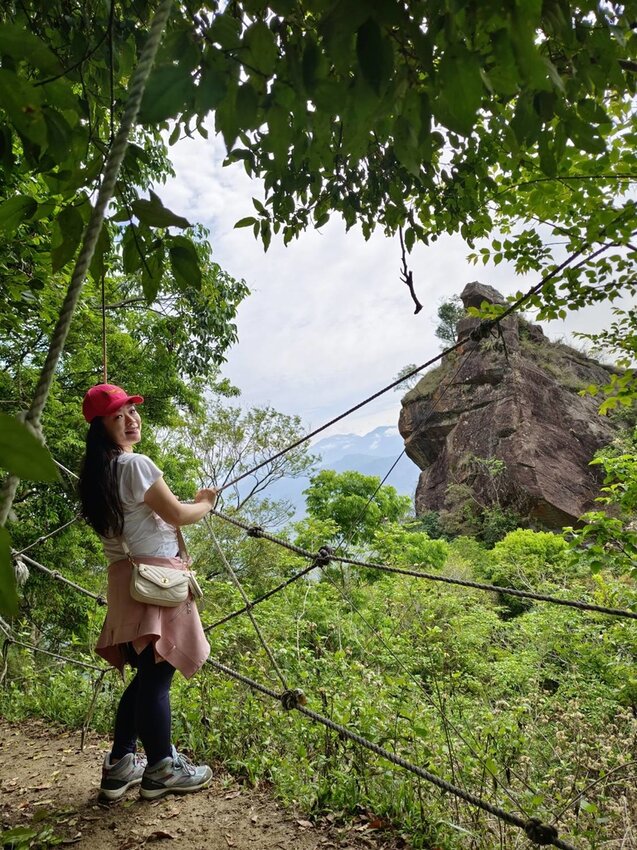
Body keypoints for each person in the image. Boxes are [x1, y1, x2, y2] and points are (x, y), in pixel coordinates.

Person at [78, 383, 218, 802]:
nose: (130, 420)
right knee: (158, 676)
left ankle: (121, 762)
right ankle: (161, 769)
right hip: (157, 580)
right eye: (118, 416)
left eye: (131, 411)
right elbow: (176, 514)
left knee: (146, 675)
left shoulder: (94, 475)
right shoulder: (135, 464)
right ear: (101, 427)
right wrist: (206, 502)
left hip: (124, 579)